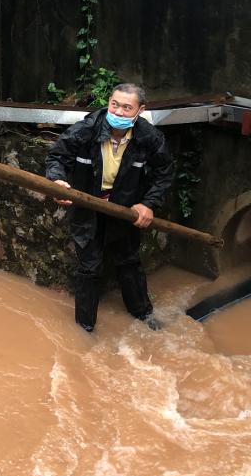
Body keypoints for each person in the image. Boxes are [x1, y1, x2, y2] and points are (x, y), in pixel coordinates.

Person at [45, 83, 174, 333]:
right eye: (115, 104)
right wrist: (57, 181)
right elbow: (57, 157)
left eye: (127, 107)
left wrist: (148, 204)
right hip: (87, 206)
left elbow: (164, 173)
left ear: (140, 110)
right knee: (89, 266)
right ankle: (84, 329)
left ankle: (144, 315)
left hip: (124, 209)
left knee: (128, 260)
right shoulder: (86, 130)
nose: (119, 112)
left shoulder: (149, 138)